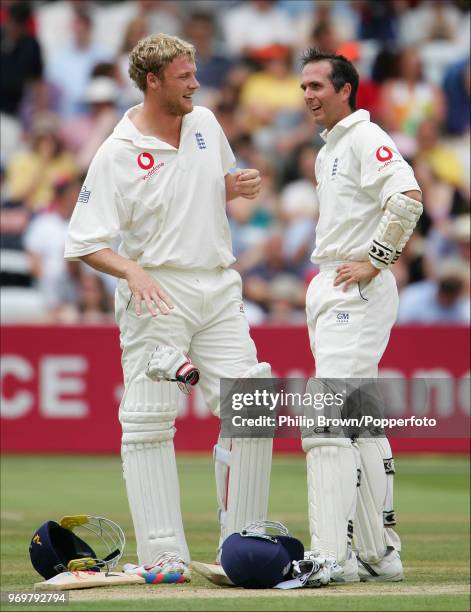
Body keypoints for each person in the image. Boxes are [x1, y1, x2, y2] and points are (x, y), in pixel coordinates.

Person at [64, 34, 273, 579]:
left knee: (251, 406)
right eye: (184, 76)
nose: (195, 84)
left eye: (195, 73)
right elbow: (85, 240)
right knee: (149, 421)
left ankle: (242, 551)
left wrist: (237, 185)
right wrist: (132, 270)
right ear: (153, 80)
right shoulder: (117, 153)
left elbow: (203, 188)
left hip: (218, 287)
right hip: (155, 293)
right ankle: (164, 555)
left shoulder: (204, 123)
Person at [300, 49, 423, 581]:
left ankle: (330, 555)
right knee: (359, 424)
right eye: (303, 87)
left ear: (345, 89)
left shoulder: (365, 138)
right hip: (332, 285)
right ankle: (378, 555)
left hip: (356, 290)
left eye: (317, 86)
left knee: (326, 417)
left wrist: (376, 260)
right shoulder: (329, 149)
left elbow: (409, 199)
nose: (308, 96)